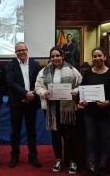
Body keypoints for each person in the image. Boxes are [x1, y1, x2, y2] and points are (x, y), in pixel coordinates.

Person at [35, 46, 82, 174]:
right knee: (55, 135)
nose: (55, 58)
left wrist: (75, 91)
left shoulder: (72, 70)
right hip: (51, 108)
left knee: (70, 136)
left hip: (68, 109)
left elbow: (81, 84)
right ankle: (59, 159)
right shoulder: (43, 71)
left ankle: (71, 160)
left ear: (62, 56)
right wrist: (43, 92)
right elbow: (37, 86)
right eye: (53, 56)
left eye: (57, 55)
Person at [79, 47, 110, 176]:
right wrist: (83, 101)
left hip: (106, 113)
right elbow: (82, 92)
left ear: (105, 57)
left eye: (99, 56)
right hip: (90, 113)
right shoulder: (87, 74)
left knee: (105, 140)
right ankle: (90, 166)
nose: (97, 59)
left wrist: (109, 102)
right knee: (90, 139)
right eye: (95, 56)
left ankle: (102, 166)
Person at [5, 42, 42, 168]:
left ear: (27, 50)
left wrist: (31, 94)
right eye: (18, 51)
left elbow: (39, 82)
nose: (21, 52)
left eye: (23, 50)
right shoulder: (10, 65)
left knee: (32, 132)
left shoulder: (35, 64)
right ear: (15, 53)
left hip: (31, 103)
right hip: (16, 103)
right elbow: (11, 83)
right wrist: (25, 94)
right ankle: (14, 156)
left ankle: (33, 156)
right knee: (15, 132)